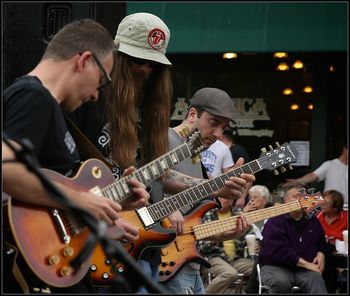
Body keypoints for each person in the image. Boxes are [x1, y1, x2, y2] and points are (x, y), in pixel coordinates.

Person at [3, 19, 149, 293]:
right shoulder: (33, 97)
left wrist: (116, 203)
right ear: (83, 61)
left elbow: (52, 198)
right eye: (102, 82)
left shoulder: (49, 108)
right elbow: (7, 171)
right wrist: (80, 199)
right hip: (40, 264)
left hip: (58, 257)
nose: (96, 95)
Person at [160, 87, 256, 294]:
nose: (219, 134)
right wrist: (216, 188)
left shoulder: (197, 154)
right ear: (192, 114)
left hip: (191, 264)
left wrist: (224, 234)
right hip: (164, 263)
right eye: (214, 123)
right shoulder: (165, 139)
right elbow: (157, 178)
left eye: (224, 127)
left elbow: (189, 228)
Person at [258, 185, 331, 293]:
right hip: (275, 266)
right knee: (281, 283)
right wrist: (308, 265)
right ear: (286, 200)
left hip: (303, 269)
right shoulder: (275, 220)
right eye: (295, 197)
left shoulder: (312, 220)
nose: (299, 200)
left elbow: (321, 242)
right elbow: (279, 251)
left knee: (317, 280)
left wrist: (321, 253)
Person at [199, 185, 270, 294]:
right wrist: (214, 237)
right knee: (230, 274)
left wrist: (257, 244)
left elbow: (251, 232)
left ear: (232, 200)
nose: (221, 200)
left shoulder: (238, 213)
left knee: (259, 268)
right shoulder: (208, 213)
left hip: (236, 259)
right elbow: (202, 243)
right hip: (214, 257)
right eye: (219, 198)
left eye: (225, 198)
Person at [283, 144, 348, 205]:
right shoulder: (330, 165)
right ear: (345, 149)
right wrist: (297, 181)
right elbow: (313, 176)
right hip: (330, 206)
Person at [317, 189, 348, 293]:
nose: (322, 204)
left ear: (335, 207)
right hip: (326, 257)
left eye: (326, 203)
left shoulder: (346, 217)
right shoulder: (316, 218)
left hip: (344, 256)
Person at [221, 128, 252, 209]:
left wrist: (242, 197)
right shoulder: (216, 150)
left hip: (234, 198)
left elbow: (250, 174)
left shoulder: (239, 151)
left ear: (221, 136)